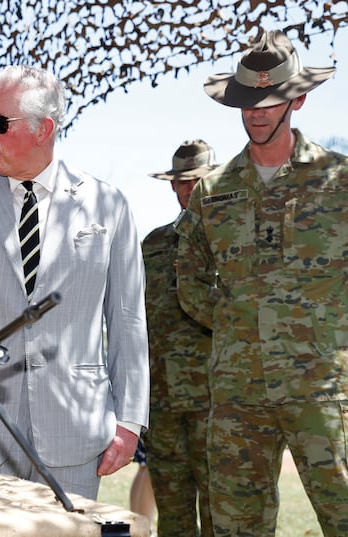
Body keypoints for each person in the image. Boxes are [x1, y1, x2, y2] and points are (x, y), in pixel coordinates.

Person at [0, 65, 149, 500]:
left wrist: (130, 421)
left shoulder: (108, 205)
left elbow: (128, 321)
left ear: (44, 129)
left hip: (75, 434)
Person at [175, 30, 348, 535]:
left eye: (270, 101)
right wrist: (237, 327)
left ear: (298, 98)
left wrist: (321, 331)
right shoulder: (213, 192)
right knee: (235, 527)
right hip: (236, 393)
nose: (257, 112)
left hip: (318, 386)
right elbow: (189, 282)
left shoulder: (338, 183)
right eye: (248, 101)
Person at [143, 140, 217, 536]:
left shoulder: (230, 241)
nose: (189, 188)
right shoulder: (152, 244)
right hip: (162, 402)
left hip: (216, 401)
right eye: (182, 181)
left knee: (222, 512)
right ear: (172, 186)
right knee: (173, 514)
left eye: (197, 180)